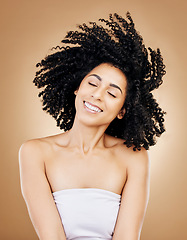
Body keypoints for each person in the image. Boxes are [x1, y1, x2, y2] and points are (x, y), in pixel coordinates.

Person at [18, 12, 166, 240]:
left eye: (112, 93)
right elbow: (51, 236)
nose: (97, 95)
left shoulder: (134, 157)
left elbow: (127, 236)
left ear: (122, 111)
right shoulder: (35, 152)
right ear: (77, 87)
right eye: (92, 83)